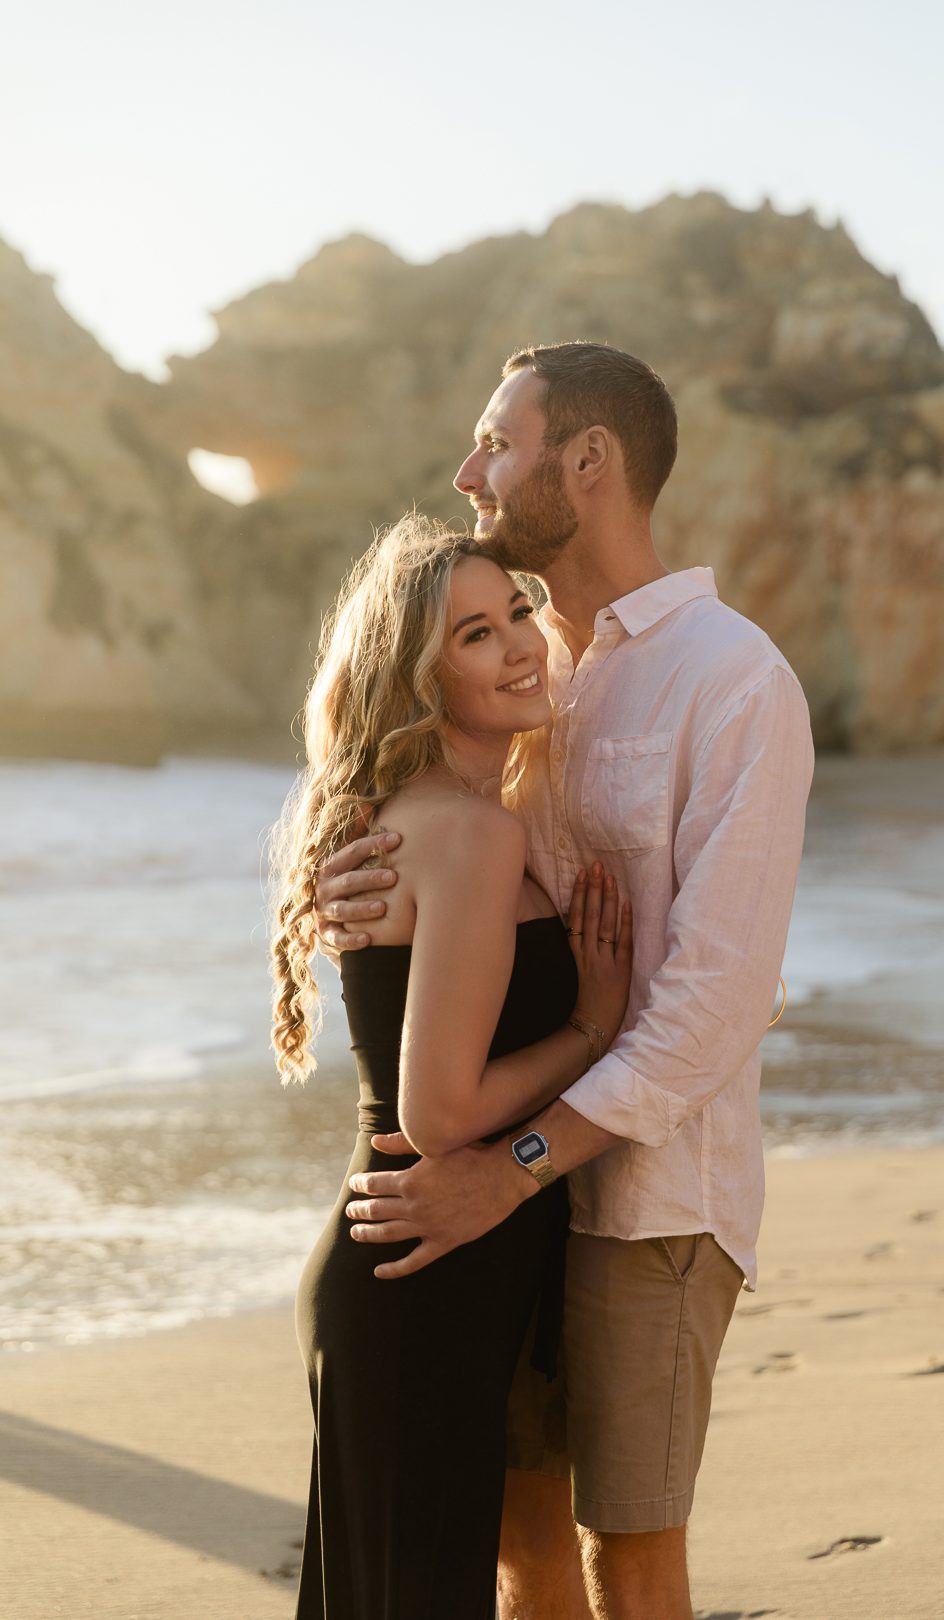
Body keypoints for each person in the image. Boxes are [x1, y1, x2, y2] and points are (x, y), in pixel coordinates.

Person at [314, 342, 815, 1620]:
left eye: (498, 440)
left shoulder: (733, 681)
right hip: (514, 1219)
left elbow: (715, 1006)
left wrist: (513, 1166)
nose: (468, 469)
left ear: (585, 461)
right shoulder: (541, 669)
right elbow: (437, 821)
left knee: (626, 1555)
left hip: (647, 1196)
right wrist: (355, 873)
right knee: (515, 1542)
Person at [270, 514, 633, 1619]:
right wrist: (592, 1027)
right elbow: (438, 1113)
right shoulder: (471, 836)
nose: (522, 642)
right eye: (476, 634)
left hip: (411, 1274)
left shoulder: (442, 819)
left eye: (517, 611)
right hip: (420, 1282)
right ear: (422, 679)